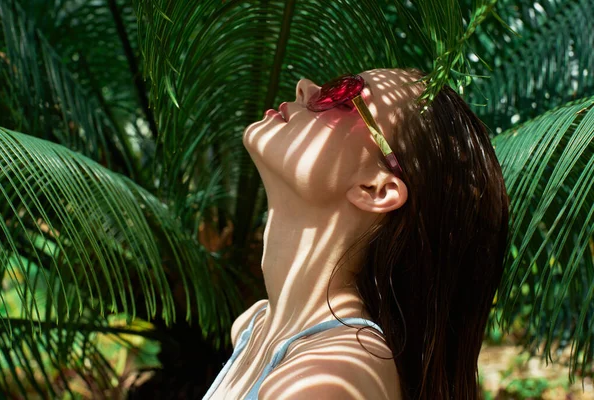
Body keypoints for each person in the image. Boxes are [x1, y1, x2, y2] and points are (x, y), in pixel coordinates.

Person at [203, 68, 509, 400]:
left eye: (343, 94)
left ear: (375, 189)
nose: (306, 88)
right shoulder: (256, 327)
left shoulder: (327, 379)